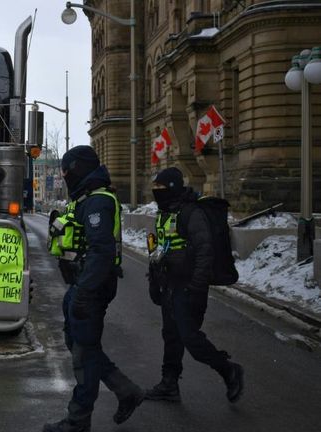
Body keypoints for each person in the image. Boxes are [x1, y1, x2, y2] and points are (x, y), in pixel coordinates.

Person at [44, 146, 144, 432]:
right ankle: (126, 391)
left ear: (78, 168)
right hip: (80, 284)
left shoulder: (98, 201)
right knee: (78, 345)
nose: (63, 175)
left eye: (66, 169)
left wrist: (85, 292)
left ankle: (78, 420)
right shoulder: (85, 199)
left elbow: (101, 251)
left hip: (91, 287)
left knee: (84, 353)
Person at [145, 167, 244, 403]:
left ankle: (229, 370)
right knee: (171, 335)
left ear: (171, 188)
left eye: (160, 188)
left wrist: (197, 288)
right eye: (154, 189)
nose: (156, 193)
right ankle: (169, 384)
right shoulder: (164, 213)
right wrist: (154, 281)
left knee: (190, 337)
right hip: (169, 284)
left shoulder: (191, 213)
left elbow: (204, 252)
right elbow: (157, 250)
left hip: (188, 286)